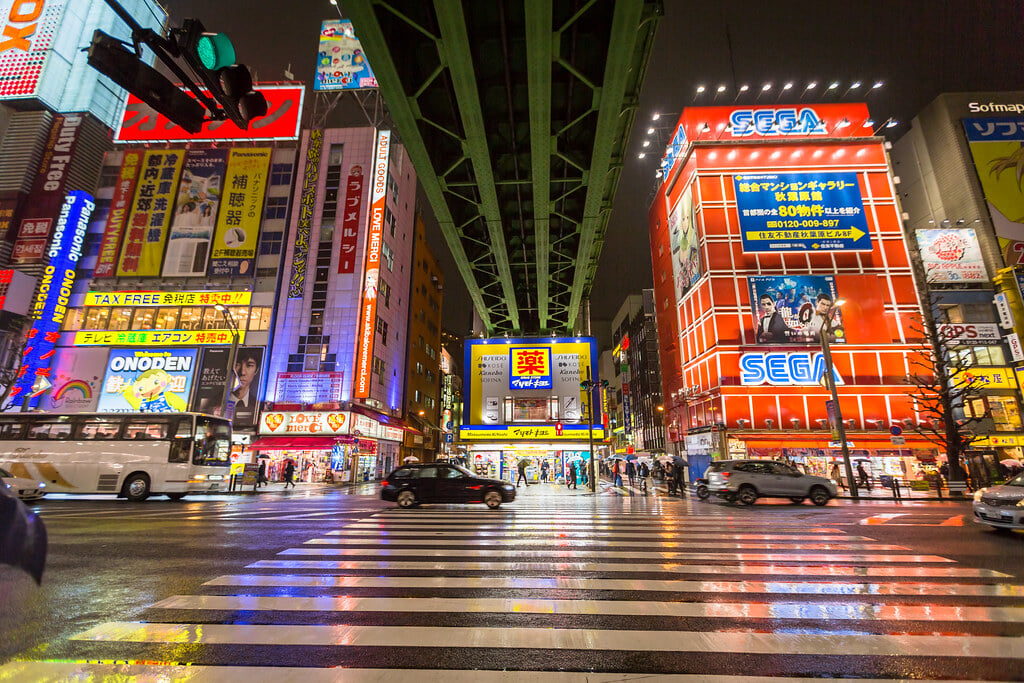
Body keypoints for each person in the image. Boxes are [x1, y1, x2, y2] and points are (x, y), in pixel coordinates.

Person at [231, 348, 262, 427]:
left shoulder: (258, 406)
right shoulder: (213, 402)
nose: (242, 372)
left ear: (256, 370)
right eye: (237, 365)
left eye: (249, 365)